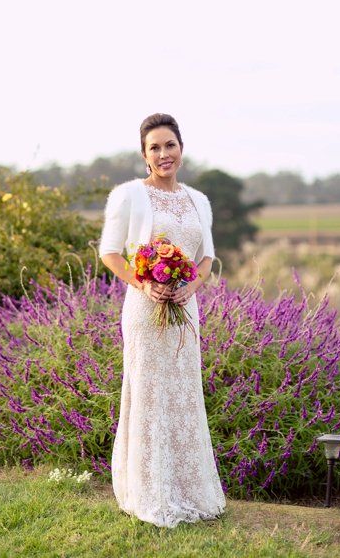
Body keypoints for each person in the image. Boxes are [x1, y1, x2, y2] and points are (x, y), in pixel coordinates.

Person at [98, 113, 226, 528]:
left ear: (181, 148)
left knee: (184, 393)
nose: (163, 153)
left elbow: (206, 258)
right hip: (145, 309)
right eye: (154, 147)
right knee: (150, 394)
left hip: (186, 311)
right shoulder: (129, 195)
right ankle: (150, 491)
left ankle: (188, 490)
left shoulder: (198, 200)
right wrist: (143, 283)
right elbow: (110, 252)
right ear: (144, 155)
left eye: (169, 144)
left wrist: (192, 287)